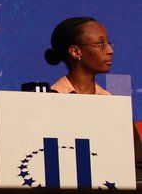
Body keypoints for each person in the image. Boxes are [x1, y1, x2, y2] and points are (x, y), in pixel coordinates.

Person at [45, 17, 142, 184]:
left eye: (109, 43)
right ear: (76, 52)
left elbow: (137, 164)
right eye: (100, 44)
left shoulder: (114, 105)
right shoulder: (46, 102)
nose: (110, 50)